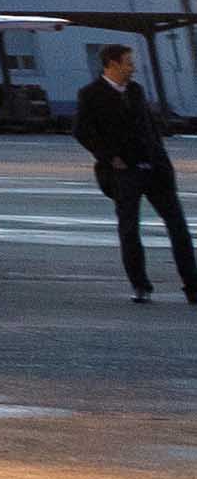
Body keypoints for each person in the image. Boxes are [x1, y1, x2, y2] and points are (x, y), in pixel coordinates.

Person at [73, 43, 194, 305]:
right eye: (128, 62)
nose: (133, 67)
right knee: (129, 229)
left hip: (154, 169)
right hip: (123, 172)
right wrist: (108, 156)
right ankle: (140, 285)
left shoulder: (136, 91)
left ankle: (191, 284)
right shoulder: (90, 94)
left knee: (178, 227)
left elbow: (150, 128)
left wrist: (161, 159)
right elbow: (82, 131)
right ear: (112, 64)